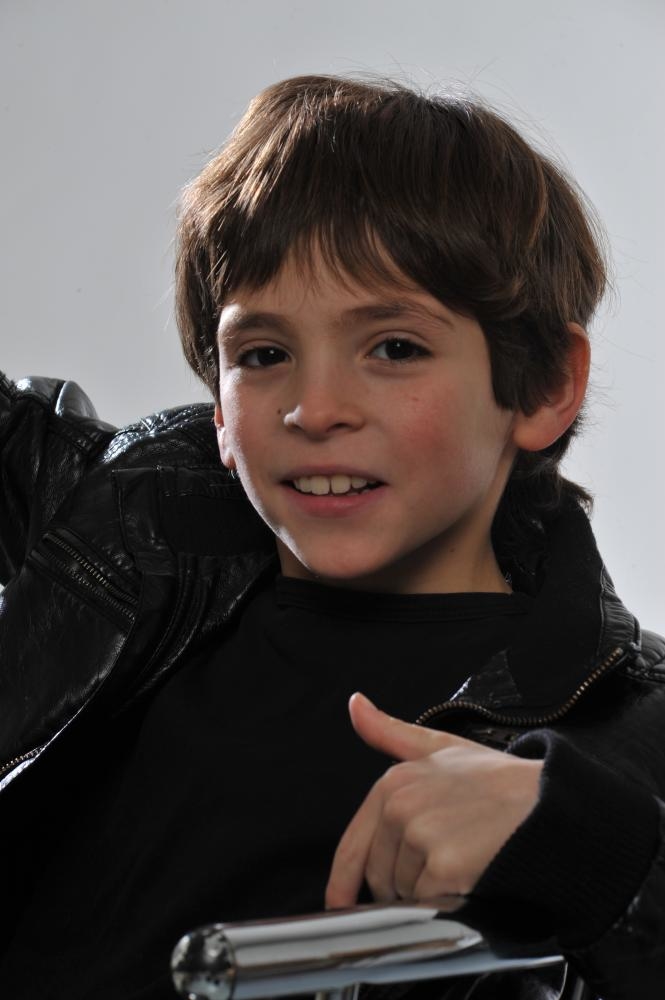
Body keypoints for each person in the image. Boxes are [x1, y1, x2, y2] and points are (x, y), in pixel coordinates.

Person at [0, 74, 663, 1000]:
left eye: (393, 348)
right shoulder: (127, 528)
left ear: (544, 384)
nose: (314, 410)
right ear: (219, 408)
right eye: (263, 355)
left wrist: (592, 857)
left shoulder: (627, 734)